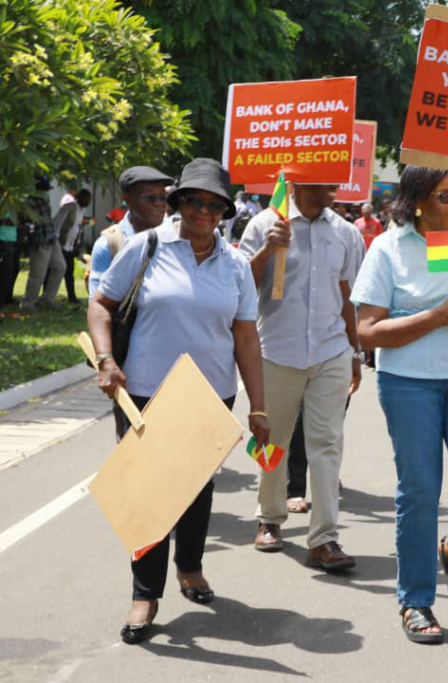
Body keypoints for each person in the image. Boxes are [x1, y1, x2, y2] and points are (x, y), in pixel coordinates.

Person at [87, 157, 269, 644]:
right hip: (145, 390)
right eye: (193, 201)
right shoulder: (147, 246)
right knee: (149, 496)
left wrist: (258, 406)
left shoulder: (234, 266)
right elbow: (101, 303)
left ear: (225, 212)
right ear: (178, 203)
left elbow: (246, 339)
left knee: (194, 488)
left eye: (214, 205)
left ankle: (189, 566)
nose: (202, 212)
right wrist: (106, 359)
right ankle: (145, 595)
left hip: (211, 394)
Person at [352, 165, 448, 644]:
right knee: (419, 491)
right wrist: (436, 317)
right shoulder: (388, 249)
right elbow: (367, 331)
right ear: (418, 200)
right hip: (409, 384)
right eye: (446, 195)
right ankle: (416, 599)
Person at [239, 182, 364, 570]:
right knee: (271, 438)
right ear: (300, 181)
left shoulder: (346, 233)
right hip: (275, 352)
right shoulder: (263, 224)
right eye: (327, 179)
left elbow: (348, 297)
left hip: (331, 352)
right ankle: (269, 518)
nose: (337, 186)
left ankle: (324, 538)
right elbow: (239, 286)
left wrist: (355, 351)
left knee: (327, 444)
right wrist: (269, 249)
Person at [87, 166, 174, 297]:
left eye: (163, 197)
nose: (159, 203)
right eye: (150, 197)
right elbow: (98, 304)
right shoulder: (109, 245)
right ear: (127, 199)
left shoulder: (177, 236)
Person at [20, 178, 64, 311]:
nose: (47, 192)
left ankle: (47, 298)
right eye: (44, 190)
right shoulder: (27, 203)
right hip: (40, 242)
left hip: (51, 239)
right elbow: (23, 223)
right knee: (37, 274)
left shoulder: (45, 199)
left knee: (60, 267)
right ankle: (28, 303)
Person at [54, 188, 92, 304]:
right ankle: (48, 296)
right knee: (55, 271)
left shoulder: (81, 210)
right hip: (61, 245)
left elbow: (76, 228)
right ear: (80, 198)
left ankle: (72, 297)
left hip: (70, 246)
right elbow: (57, 223)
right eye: (87, 199)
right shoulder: (70, 207)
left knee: (69, 273)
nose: (89, 202)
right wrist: (55, 241)